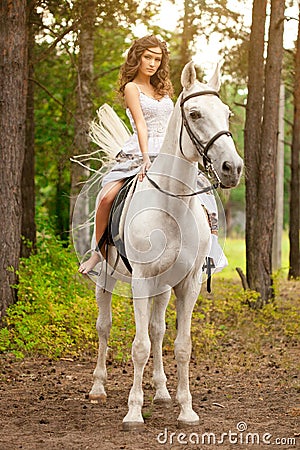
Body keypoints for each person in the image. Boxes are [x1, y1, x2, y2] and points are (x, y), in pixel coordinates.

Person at [78, 35, 174, 274]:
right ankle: (98, 254)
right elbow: (141, 124)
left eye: (157, 59)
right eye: (148, 57)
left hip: (169, 151)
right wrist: (145, 158)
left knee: (202, 194)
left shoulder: (163, 88)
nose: (152, 63)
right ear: (138, 58)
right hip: (140, 151)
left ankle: (209, 249)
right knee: (106, 198)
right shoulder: (132, 88)